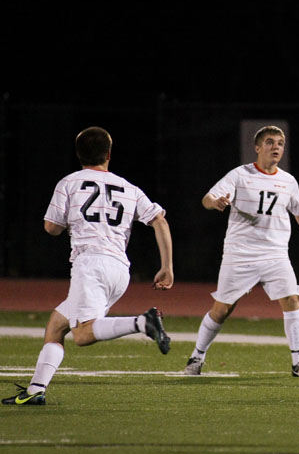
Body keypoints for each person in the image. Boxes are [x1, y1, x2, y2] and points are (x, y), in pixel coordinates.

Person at [2, 126, 173, 406]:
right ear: (108, 153)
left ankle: (143, 322)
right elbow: (160, 220)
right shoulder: (129, 187)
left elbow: (51, 228)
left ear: (78, 154)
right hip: (119, 269)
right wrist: (167, 267)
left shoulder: (69, 182)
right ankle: (36, 390)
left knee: (82, 334)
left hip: (90, 265)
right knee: (57, 326)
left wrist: (69, 222)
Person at [184, 125, 299, 378]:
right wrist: (215, 203)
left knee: (291, 300)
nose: (276, 147)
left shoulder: (288, 181)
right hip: (240, 254)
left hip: (275, 255)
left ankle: (298, 363)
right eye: (270, 142)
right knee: (222, 309)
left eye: (280, 143)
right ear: (257, 147)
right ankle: (196, 357)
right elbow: (207, 198)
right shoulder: (240, 175)